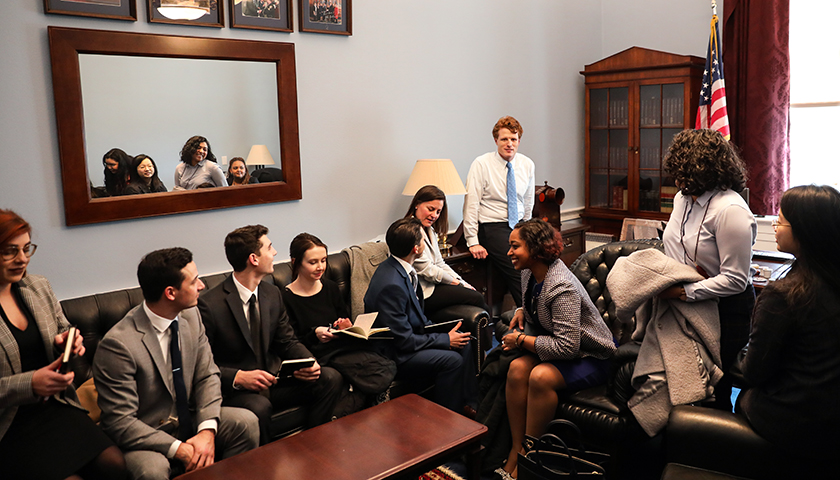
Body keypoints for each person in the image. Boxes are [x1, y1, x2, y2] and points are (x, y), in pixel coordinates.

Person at [93, 247, 258, 479]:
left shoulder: (191, 315)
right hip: (147, 435)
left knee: (246, 422)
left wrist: (207, 432)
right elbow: (120, 422)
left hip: (188, 419)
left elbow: (207, 376)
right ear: (170, 293)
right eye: (194, 281)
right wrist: (179, 449)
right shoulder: (118, 344)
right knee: (152, 470)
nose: (201, 286)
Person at [0, 209, 126, 480]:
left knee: (115, 464)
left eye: (26, 249)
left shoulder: (37, 287)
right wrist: (30, 383)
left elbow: (62, 327)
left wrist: (67, 340)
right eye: (10, 251)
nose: (22, 259)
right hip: (8, 424)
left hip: (57, 406)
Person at [198, 226, 342, 445]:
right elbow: (201, 364)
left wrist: (308, 362)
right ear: (254, 259)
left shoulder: (272, 293)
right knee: (260, 407)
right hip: (240, 389)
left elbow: (286, 340)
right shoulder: (210, 305)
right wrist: (237, 377)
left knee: (330, 377)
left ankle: (313, 446)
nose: (274, 253)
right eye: (270, 247)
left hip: (274, 379)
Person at [498, 219, 616, 478]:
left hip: (591, 354)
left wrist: (519, 341)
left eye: (514, 246)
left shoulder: (561, 286)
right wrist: (521, 310)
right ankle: (516, 449)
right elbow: (537, 305)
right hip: (561, 345)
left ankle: (532, 455)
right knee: (517, 369)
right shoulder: (529, 272)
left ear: (535, 248)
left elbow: (567, 347)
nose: (509, 252)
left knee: (540, 377)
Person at [736, 185, 840, 463]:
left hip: (792, 424)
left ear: (805, 230)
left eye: (780, 221)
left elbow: (754, 373)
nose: (773, 227)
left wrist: (742, 353)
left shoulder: (785, 296)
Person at [659, 129, 756, 411]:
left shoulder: (730, 210)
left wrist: (684, 291)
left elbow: (736, 280)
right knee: (687, 381)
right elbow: (674, 245)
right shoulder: (681, 198)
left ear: (703, 170)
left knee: (717, 388)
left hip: (726, 308)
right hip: (685, 300)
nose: (676, 180)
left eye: (683, 171)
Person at [364, 217, 476, 413]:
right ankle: (447, 415)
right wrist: (444, 339)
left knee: (464, 343)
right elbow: (404, 341)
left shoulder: (397, 267)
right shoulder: (391, 284)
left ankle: (468, 404)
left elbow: (416, 320)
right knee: (452, 360)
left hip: (408, 339)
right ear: (416, 249)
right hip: (394, 352)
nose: (425, 243)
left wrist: (445, 333)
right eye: (423, 240)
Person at [282, 233, 393, 415]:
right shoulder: (285, 297)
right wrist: (315, 333)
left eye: (324, 260)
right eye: (313, 262)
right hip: (318, 354)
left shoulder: (331, 288)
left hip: (341, 346)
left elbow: (342, 319)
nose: (320, 267)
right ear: (295, 262)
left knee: (381, 359)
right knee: (376, 370)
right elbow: (290, 341)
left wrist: (346, 325)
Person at [463, 116, 536, 307]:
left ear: (519, 140)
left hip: (519, 226)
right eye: (504, 139)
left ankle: (542, 313)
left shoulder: (527, 164)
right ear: (496, 140)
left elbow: (528, 201)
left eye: (513, 139)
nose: (509, 144)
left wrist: (527, 230)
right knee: (519, 269)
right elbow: (471, 203)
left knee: (539, 264)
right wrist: (472, 241)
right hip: (492, 226)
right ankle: (532, 318)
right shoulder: (481, 164)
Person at [404, 185, 488, 317]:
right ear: (417, 204)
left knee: (475, 294)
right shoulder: (408, 232)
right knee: (477, 298)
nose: (434, 215)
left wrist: (463, 282)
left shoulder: (429, 230)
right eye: (430, 209)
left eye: (438, 212)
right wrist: (456, 283)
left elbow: (440, 263)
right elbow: (427, 270)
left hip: (435, 285)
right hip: (422, 292)